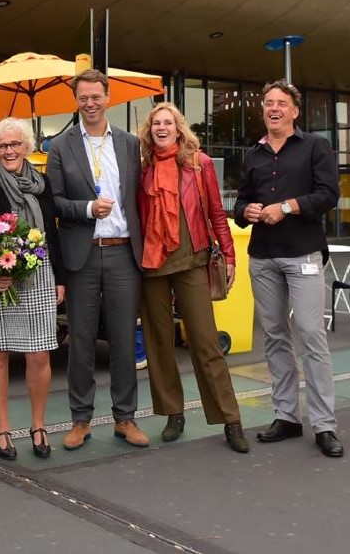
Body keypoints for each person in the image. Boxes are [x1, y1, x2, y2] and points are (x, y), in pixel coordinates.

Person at [235, 79, 343, 458]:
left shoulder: (315, 146)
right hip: (263, 257)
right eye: (268, 103)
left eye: (281, 103)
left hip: (303, 256)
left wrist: (287, 207)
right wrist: (245, 212)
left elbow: (328, 194)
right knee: (276, 336)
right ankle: (286, 416)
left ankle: (325, 424)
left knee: (312, 334)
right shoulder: (255, 154)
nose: (273, 108)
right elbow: (242, 201)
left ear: (295, 111)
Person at [136, 102, 247, 453]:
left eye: (168, 122)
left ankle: (230, 419)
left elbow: (216, 211)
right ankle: (173, 413)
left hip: (192, 257)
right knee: (159, 343)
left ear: (179, 128)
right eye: (156, 123)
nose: (162, 127)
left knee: (205, 342)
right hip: (152, 263)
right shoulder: (142, 167)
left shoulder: (198, 164)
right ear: (149, 130)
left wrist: (228, 254)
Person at [47, 69, 146, 450]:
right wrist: (87, 208)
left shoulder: (129, 144)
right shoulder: (60, 145)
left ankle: (126, 418)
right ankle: (80, 420)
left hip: (123, 253)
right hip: (81, 256)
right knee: (82, 342)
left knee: (123, 341)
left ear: (109, 98)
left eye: (96, 96)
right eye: (83, 97)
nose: (90, 103)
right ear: (76, 101)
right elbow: (53, 202)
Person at [0, 118, 66, 461]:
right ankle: (3, 428)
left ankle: (38, 425)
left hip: (39, 274)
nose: (8, 151)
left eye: (15, 144)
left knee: (39, 353)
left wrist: (61, 278)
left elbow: (52, 233)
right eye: (2, 146)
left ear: (27, 147)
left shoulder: (43, 183)